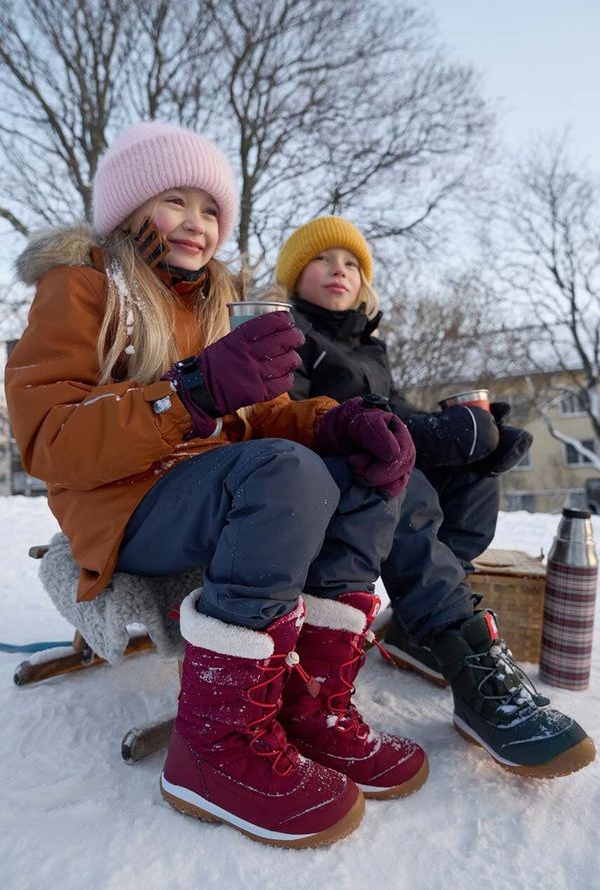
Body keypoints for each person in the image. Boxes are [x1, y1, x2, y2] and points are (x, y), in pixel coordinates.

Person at [5, 123, 427, 849]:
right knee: (282, 470)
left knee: (350, 468)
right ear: (130, 208)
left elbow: (263, 416)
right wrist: (187, 392)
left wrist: (336, 423)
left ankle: (310, 704)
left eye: (210, 209)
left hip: (208, 489)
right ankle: (215, 742)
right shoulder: (82, 286)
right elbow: (49, 438)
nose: (197, 223)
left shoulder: (211, 301)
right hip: (124, 508)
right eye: (176, 200)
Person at [272, 215, 596, 779]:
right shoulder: (288, 334)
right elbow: (285, 420)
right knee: (401, 475)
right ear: (295, 275)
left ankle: (424, 632)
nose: (339, 270)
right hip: (319, 483)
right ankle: (468, 664)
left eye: (351, 263)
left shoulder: (370, 350)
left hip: (376, 471)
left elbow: (397, 413)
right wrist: (408, 440)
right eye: (323, 260)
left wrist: (465, 433)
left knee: (474, 475)